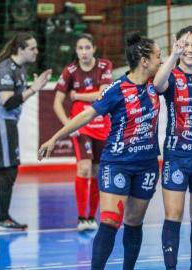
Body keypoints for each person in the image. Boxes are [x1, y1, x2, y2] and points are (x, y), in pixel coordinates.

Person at [38, 31, 162, 270]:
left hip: (146, 164)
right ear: (144, 60)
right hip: (117, 162)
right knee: (110, 221)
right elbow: (86, 114)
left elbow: (186, 61)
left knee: (134, 222)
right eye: (159, 56)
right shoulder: (117, 88)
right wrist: (55, 138)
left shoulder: (158, 84)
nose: (161, 60)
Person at [153, 10, 192, 270]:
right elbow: (157, 85)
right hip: (176, 156)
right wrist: (174, 54)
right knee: (173, 216)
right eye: (185, 45)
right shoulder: (170, 74)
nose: (190, 50)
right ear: (176, 46)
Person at [53, 33, 113, 231]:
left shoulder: (105, 66)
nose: (84, 52)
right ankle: (81, 218)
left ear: (94, 48)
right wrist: (68, 126)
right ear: (76, 51)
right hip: (81, 127)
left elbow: (104, 94)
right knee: (84, 168)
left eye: (88, 47)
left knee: (97, 171)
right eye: (80, 48)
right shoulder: (70, 70)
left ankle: (90, 217)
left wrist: (77, 95)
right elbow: (57, 103)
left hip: (101, 125)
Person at [0, 32, 52, 231]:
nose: (36, 51)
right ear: (20, 49)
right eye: (32, 48)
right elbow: (8, 102)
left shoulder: (20, 68)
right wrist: (34, 89)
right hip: (1, 123)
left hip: (8, 122)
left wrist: (33, 87)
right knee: (9, 169)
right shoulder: (5, 68)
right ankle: (3, 219)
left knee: (5, 170)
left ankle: (3, 217)